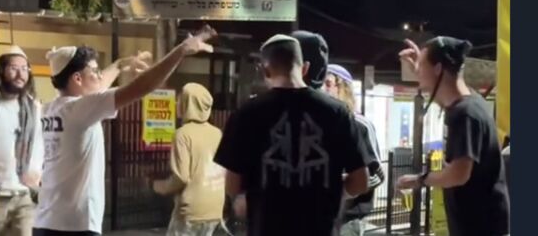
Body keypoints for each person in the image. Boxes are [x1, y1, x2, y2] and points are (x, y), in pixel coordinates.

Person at [33, 26, 218, 236]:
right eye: (94, 71)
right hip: (75, 226)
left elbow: (99, 85)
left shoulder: (50, 110)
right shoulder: (81, 108)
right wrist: (181, 50)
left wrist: (121, 65)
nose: (99, 76)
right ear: (77, 79)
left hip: (45, 221)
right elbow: (141, 87)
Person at [214, 34, 371, 236]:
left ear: (264, 70)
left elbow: (233, 185)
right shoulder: (337, 112)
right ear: (304, 68)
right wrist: (332, 196)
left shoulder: (246, 114)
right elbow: (361, 181)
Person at [396, 37, 510, 236]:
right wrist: (421, 71)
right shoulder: (467, 104)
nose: (417, 71)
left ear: (438, 69)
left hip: (482, 228)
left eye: (422, 66)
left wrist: (419, 180)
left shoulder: (466, 114)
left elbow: (458, 174)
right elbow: (444, 95)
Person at [153, 83, 226, 236]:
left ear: (189, 104)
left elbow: (181, 177)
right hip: (215, 208)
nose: (177, 103)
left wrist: (162, 187)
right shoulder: (217, 133)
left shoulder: (182, 134)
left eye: (181, 99)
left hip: (191, 210)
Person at [324, 64, 385, 236]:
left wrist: (348, 185)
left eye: (328, 84)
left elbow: (377, 174)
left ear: (343, 88)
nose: (323, 90)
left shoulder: (360, 124)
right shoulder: (320, 124)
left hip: (348, 219)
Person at [0, 46, 44, 236]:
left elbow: (39, 144)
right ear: (1, 71)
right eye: (14, 68)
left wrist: (35, 172)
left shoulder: (32, 107)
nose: (20, 74)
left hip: (23, 195)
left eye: (25, 69)